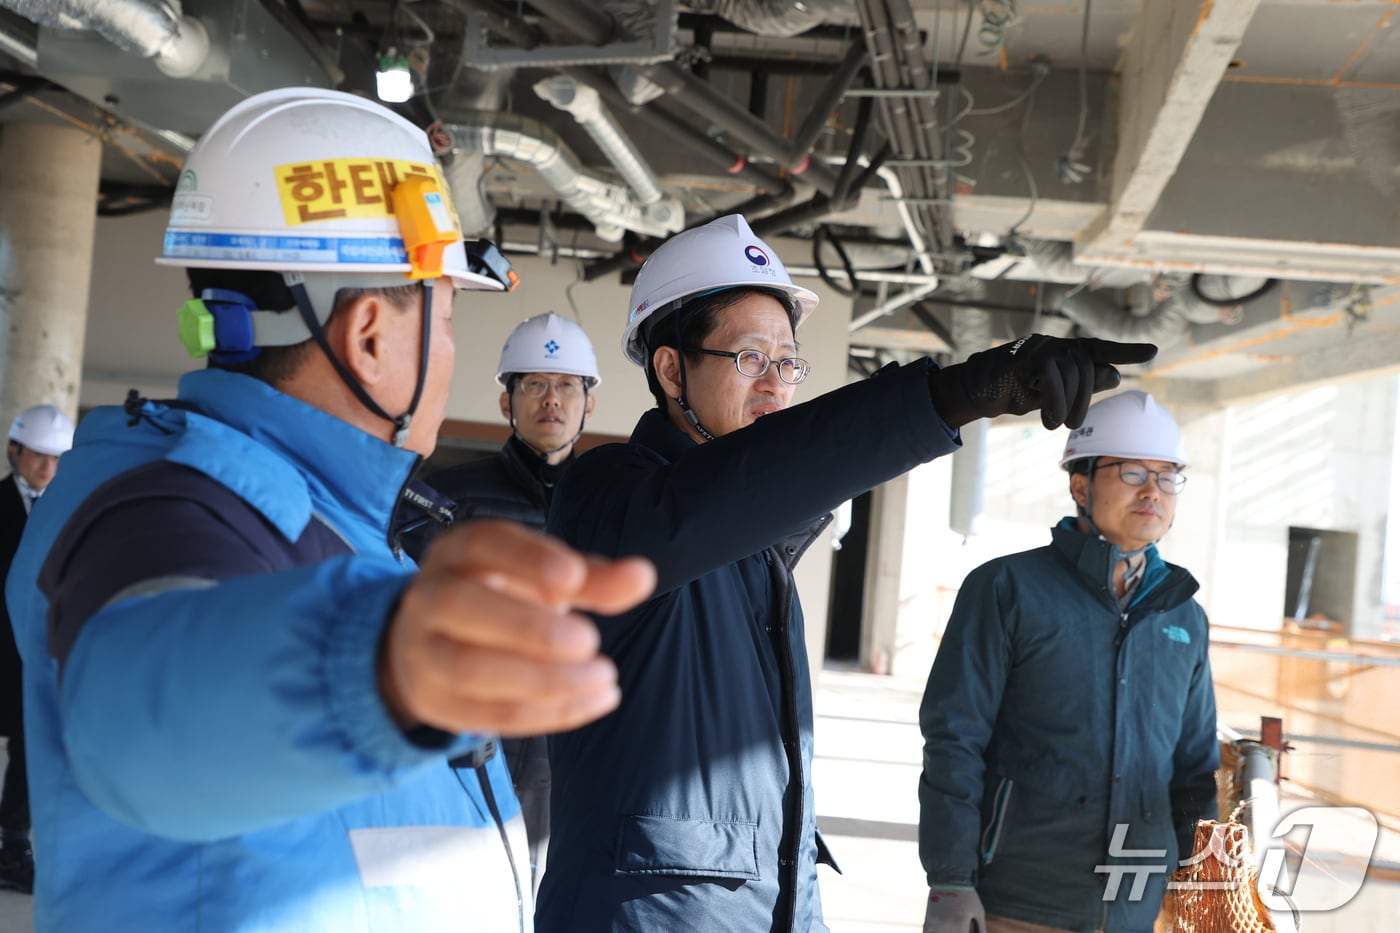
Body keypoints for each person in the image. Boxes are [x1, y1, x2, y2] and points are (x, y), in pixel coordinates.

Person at [4, 87, 653, 932]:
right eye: (447, 315)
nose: (450, 350)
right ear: (372, 336)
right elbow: (141, 713)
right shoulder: (168, 508)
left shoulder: (304, 505)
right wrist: (370, 666)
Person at [535, 212, 1158, 932]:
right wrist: (957, 394)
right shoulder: (610, 494)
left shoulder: (757, 553)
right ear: (672, 368)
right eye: (749, 358)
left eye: (787, 362)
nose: (775, 384)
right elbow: (726, 495)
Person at [917, 390, 1219, 933]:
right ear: (1080, 485)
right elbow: (954, 740)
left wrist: (1207, 876)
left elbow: (1194, 768)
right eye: (1131, 472)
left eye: (1168, 476)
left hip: (1135, 904)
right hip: (1019, 897)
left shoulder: (1184, 617)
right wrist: (951, 880)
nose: (1154, 491)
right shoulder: (1007, 588)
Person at [408, 310, 602, 896]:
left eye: (567, 385)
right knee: (456, 883)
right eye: (535, 385)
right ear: (506, 402)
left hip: (564, 743)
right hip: (463, 731)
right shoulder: (447, 496)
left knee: (547, 888)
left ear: (589, 404)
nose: (552, 400)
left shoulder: (611, 504)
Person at [0, 405, 74, 894]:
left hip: (32, 646)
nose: (47, 467)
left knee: (30, 745)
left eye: (57, 458)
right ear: (14, 450)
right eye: (38, 455)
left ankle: (13, 845)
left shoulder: (70, 510)